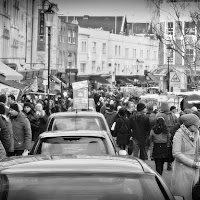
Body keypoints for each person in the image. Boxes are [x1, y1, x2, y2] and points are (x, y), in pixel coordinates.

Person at [170, 114, 200, 200]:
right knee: (183, 196)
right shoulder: (179, 134)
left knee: (194, 194)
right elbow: (176, 153)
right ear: (190, 125)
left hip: (195, 170)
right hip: (182, 171)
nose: (198, 127)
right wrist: (192, 164)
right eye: (196, 125)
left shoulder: (197, 133)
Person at [156, 102, 179, 170]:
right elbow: (176, 123)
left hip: (161, 134)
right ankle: (169, 163)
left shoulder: (159, 115)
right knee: (169, 148)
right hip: (171, 133)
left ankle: (161, 162)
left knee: (162, 148)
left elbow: (156, 123)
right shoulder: (173, 115)